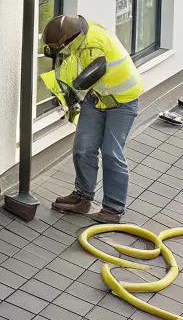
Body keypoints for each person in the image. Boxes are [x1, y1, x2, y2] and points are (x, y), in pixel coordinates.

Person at [40, 13, 145, 224]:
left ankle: (113, 209)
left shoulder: (94, 45)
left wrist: (75, 88)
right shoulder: (79, 35)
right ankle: (83, 197)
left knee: (111, 153)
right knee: (83, 147)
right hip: (98, 98)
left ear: (68, 39)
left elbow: (90, 74)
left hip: (122, 102)